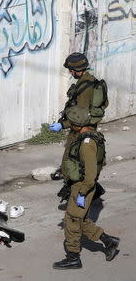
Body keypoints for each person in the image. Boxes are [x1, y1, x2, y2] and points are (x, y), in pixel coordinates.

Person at [53, 106, 119, 270]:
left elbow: (90, 175)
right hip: (81, 185)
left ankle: (73, 258)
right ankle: (108, 241)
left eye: (71, 124)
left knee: (72, 221)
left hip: (83, 186)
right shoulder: (90, 134)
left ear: (76, 125)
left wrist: (82, 192)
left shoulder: (86, 144)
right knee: (80, 220)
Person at [49, 52, 106, 180]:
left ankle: (83, 192)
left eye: (71, 70)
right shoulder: (91, 81)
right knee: (80, 164)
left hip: (81, 131)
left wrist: (62, 125)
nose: (70, 73)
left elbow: (80, 118)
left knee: (74, 165)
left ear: (76, 70)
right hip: (87, 128)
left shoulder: (85, 87)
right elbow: (104, 104)